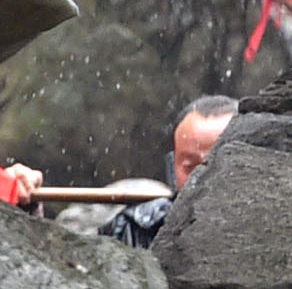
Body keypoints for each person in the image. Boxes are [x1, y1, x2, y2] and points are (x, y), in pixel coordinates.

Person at [101, 95, 237, 248]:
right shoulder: (133, 229)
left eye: (219, 163)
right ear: (173, 166)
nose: (203, 177)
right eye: (191, 167)